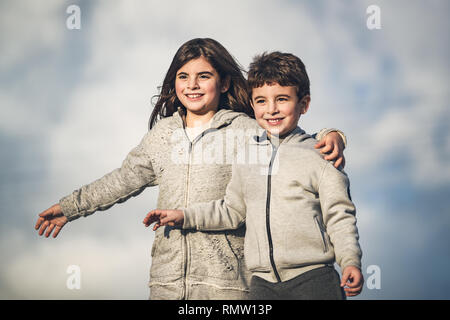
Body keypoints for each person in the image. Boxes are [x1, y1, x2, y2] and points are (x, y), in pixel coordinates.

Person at [35, 39, 347, 300]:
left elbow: (289, 136)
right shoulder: (162, 136)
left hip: (229, 284)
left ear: (223, 82)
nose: (192, 85)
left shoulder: (244, 130)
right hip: (167, 283)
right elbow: (121, 180)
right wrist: (71, 207)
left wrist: (332, 135)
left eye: (203, 76)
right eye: (183, 76)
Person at [144, 51, 363, 299]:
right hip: (261, 284)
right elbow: (231, 210)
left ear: (304, 104)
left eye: (282, 99)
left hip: (314, 279)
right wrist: (184, 216)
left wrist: (350, 261)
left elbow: (339, 215)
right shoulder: (247, 155)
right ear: (252, 104)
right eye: (261, 101)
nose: (271, 110)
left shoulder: (321, 154)